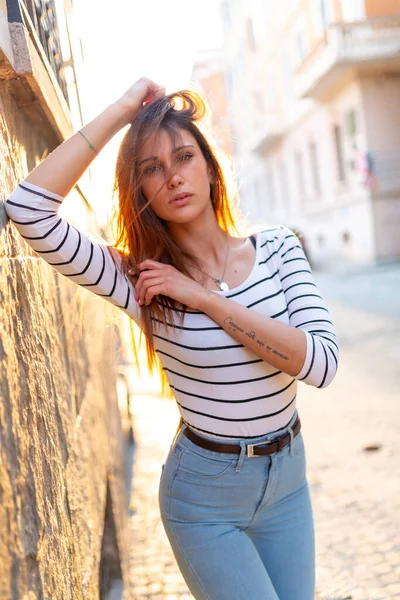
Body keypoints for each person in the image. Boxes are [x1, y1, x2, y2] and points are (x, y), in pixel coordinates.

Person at [4, 77, 339, 600]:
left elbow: (320, 364)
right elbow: (28, 210)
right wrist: (119, 111)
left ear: (209, 167)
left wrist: (205, 298)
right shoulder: (140, 279)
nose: (173, 178)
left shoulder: (277, 248)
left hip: (287, 481)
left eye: (183, 157)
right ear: (139, 189)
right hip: (204, 497)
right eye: (151, 169)